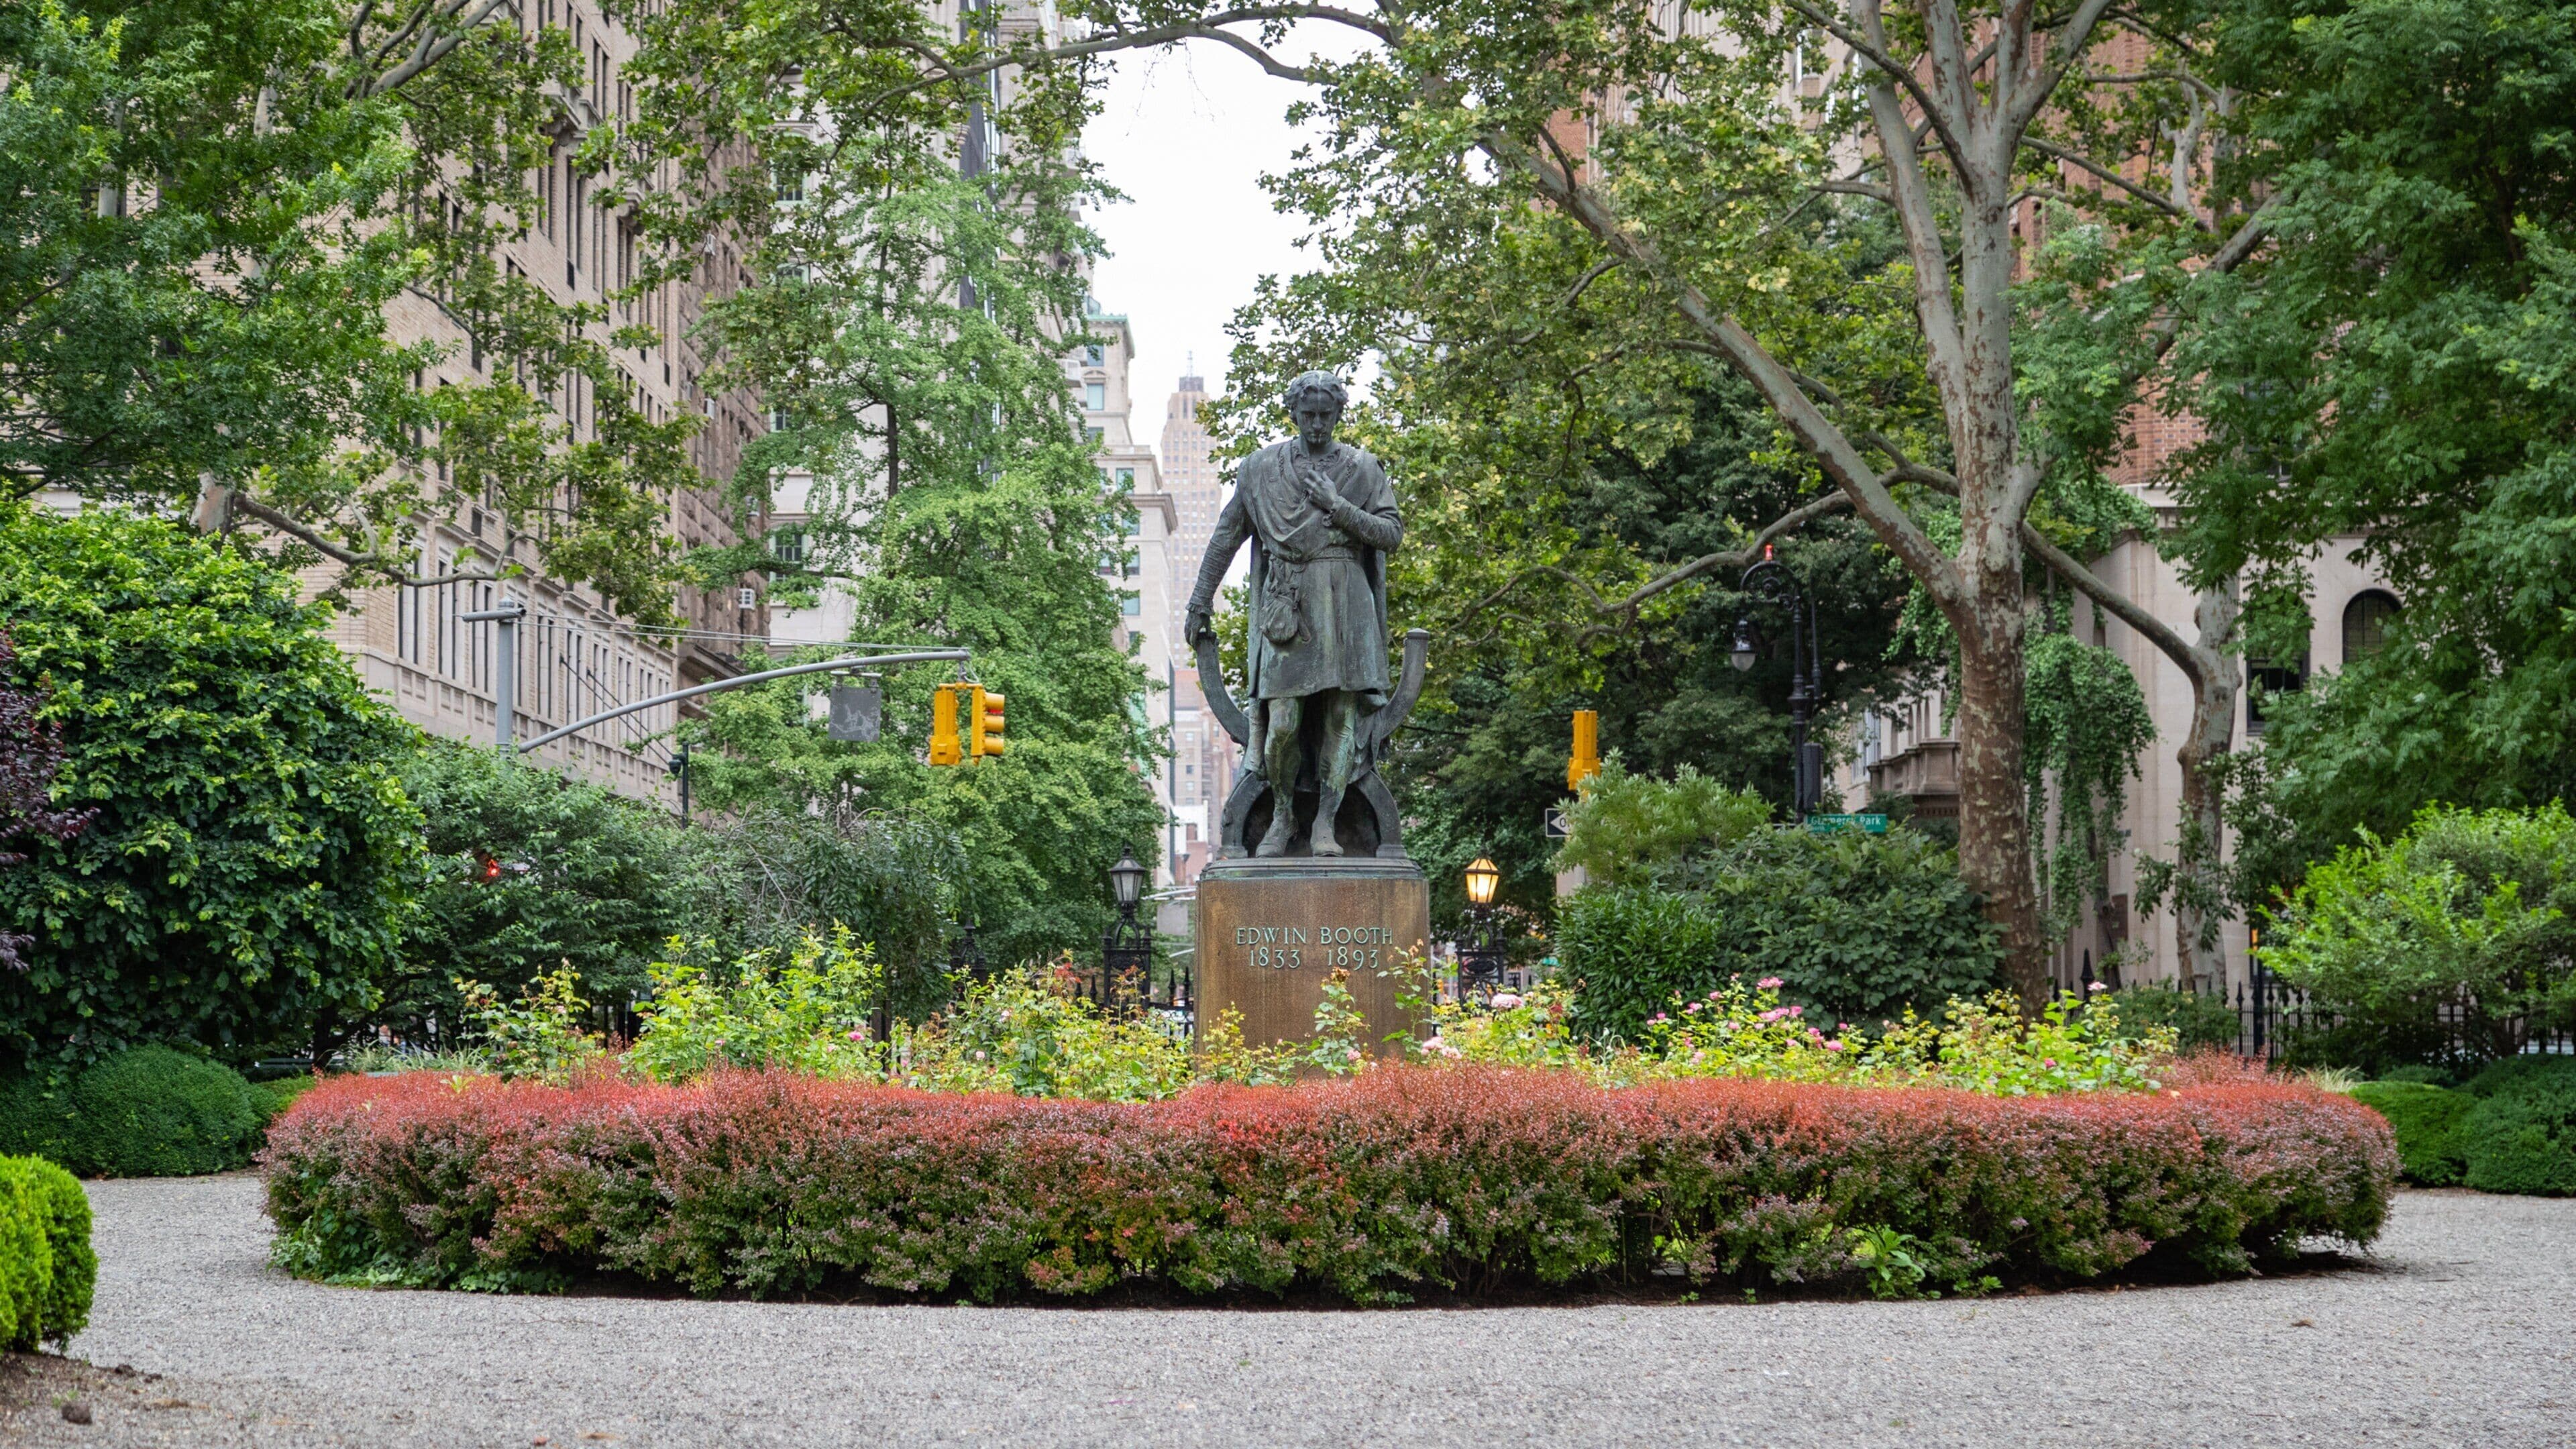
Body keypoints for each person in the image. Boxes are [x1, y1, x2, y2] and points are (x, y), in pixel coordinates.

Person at [1183, 372, 1403, 857]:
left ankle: (1326, 821)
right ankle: (1283, 814)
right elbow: (1226, 536)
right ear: (1294, 413)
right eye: (1308, 415)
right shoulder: (1261, 469)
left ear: (1339, 413)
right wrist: (1200, 599)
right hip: (1290, 605)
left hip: (1345, 606)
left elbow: (1391, 534)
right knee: (1282, 723)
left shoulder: (1364, 469)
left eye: (1326, 415)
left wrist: (1338, 506)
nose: (1317, 424)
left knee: (1341, 720)